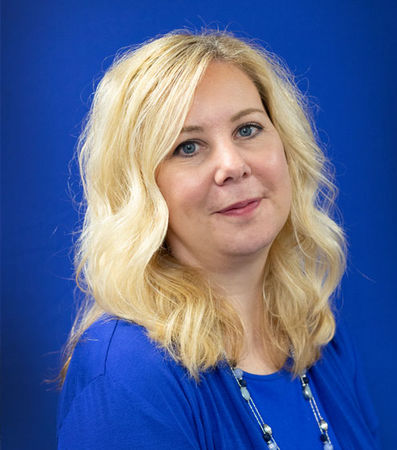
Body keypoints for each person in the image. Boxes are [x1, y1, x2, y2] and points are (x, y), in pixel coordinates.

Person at [57, 30, 379, 449]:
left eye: (247, 129)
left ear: (287, 148)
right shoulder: (126, 372)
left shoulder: (319, 342)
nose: (232, 165)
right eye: (188, 146)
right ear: (140, 190)